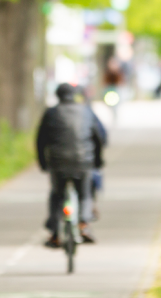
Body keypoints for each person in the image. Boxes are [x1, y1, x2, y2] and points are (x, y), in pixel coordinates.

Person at [36, 83, 107, 247]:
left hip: (57, 162)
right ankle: (84, 225)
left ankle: (54, 234)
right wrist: (97, 160)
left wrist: (43, 162)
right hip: (83, 162)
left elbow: (40, 140)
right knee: (85, 194)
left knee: (56, 195)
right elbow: (98, 138)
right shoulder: (86, 111)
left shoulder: (51, 113)